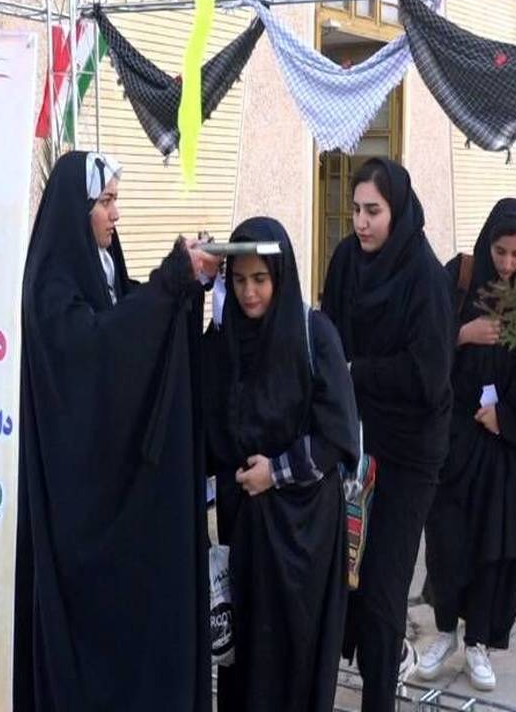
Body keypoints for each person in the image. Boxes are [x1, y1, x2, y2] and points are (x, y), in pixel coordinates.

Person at [13, 150, 221, 711]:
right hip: (75, 502)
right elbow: (98, 351)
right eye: (105, 202)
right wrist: (170, 283)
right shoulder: (51, 287)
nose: (116, 214)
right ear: (76, 210)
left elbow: (131, 317)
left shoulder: (101, 269)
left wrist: (183, 287)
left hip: (109, 492)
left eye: (115, 201)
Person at [201, 216, 360, 712]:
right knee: (246, 658)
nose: (249, 293)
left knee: (295, 653)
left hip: (303, 533)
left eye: (260, 279)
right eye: (238, 280)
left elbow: (337, 437)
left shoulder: (314, 335)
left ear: (281, 277)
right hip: (245, 528)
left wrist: (275, 471)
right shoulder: (225, 341)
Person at [321, 157, 454, 712]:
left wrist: (357, 372)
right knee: (339, 579)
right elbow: (328, 337)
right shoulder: (346, 261)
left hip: (408, 455)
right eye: (356, 209)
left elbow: (428, 375)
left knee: (382, 590)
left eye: (373, 211)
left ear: (396, 211)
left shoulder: (424, 277)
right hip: (353, 444)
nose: (361, 222)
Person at [419, 199, 516, 692]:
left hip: (504, 446)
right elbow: (425, 341)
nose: (508, 264)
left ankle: (479, 642)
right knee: (447, 540)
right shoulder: (461, 278)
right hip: (455, 438)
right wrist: (462, 335)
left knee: (495, 547)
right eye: (500, 252)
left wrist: (508, 418)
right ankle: (445, 631)